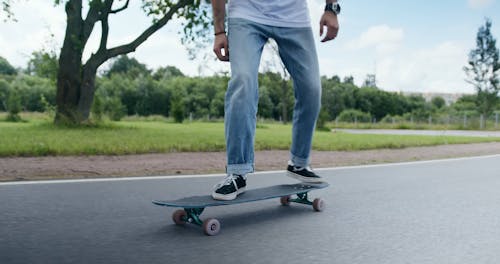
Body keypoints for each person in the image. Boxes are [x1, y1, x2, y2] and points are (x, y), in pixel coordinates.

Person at [211, 0, 340, 200]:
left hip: (294, 18)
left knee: (311, 89)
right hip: (246, 13)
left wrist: (331, 9)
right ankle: (237, 171)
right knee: (243, 82)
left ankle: (299, 163)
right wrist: (219, 31)